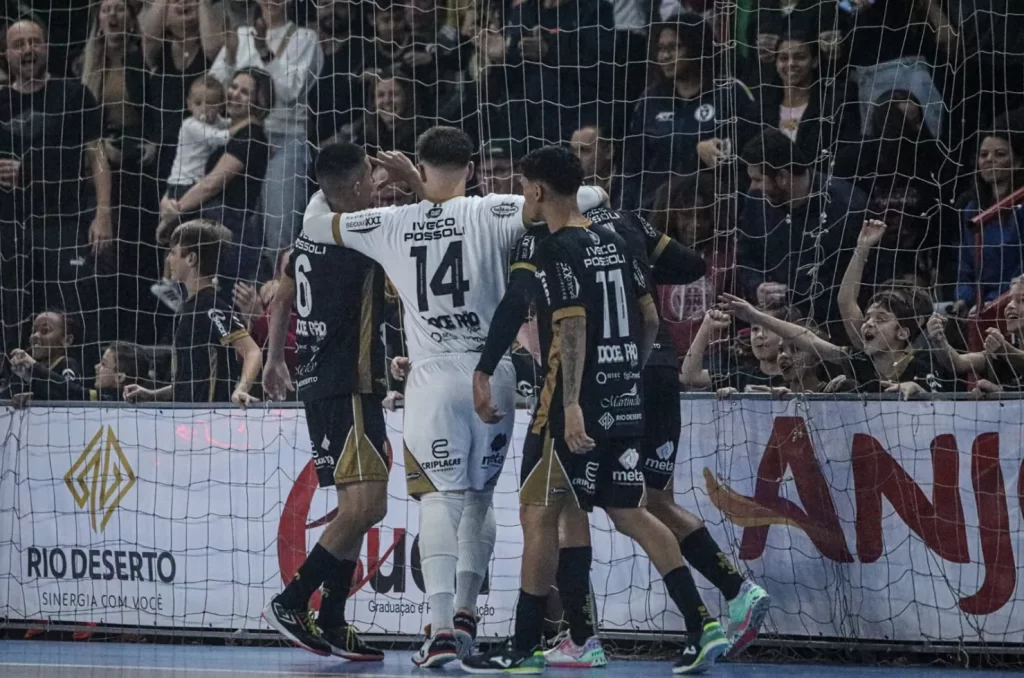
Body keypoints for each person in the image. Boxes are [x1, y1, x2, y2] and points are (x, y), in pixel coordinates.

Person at [299, 127, 606, 668]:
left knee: (440, 499)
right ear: (472, 168)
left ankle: (439, 630)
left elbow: (315, 224)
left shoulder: (388, 222)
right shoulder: (495, 210)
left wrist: (380, 183)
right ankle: (466, 616)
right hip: (493, 370)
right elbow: (590, 196)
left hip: (432, 378)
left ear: (418, 166)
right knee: (480, 498)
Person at [462, 146, 731, 675]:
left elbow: (571, 325)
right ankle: (701, 625)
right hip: (625, 396)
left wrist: (570, 404)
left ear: (537, 190)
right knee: (629, 512)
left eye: (523, 187)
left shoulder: (554, 245)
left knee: (538, 515)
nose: (522, 197)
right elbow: (649, 316)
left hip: (571, 403)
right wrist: (629, 371)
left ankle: (524, 645)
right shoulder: (620, 237)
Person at [260, 142, 388, 661]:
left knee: (356, 508)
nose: (378, 186)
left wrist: (274, 358)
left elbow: (283, 292)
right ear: (355, 186)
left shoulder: (309, 229)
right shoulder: (361, 234)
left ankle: (332, 618)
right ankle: (292, 601)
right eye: (372, 179)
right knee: (369, 506)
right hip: (348, 383)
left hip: (319, 383)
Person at [0, 18, 112, 363]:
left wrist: (103, 213)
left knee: (70, 309)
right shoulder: (1, 101)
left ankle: (78, 379)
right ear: (7, 54)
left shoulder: (74, 93)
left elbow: (97, 154)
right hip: (12, 228)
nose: (28, 49)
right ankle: (14, 379)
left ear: (46, 48)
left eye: (34, 41)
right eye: (19, 44)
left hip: (65, 222)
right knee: (15, 312)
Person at [124, 220, 262, 406]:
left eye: (173, 252)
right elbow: (188, 383)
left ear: (191, 258)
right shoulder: (190, 307)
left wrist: (241, 389)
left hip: (209, 418)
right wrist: (152, 394)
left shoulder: (210, 307)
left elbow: (252, 351)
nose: (168, 259)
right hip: (188, 416)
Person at [10, 340, 149, 402]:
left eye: (103, 364)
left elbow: (71, 391)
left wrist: (34, 366)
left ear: (119, 377)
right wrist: (36, 397)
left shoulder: (115, 399)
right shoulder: (107, 395)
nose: (96, 367)